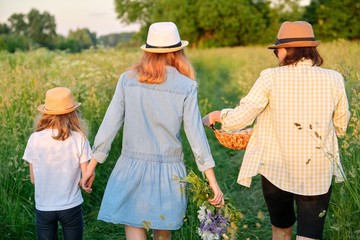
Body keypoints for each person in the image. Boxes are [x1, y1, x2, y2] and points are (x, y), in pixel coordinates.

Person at [203, 21, 350, 240]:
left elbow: (241, 117)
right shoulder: (334, 78)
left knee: (281, 230)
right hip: (318, 170)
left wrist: (217, 116)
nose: (277, 55)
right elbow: (341, 125)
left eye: (277, 50)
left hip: (276, 169)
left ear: (288, 50)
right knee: (310, 235)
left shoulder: (271, 77)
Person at [81, 22, 224, 240]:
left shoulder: (127, 80)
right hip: (169, 175)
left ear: (148, 51)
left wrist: (92, 165)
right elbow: (196, 138)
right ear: (178, 51)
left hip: (130, 169)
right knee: (162, 236)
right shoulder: (186, 86)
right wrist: (211, 180)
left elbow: (110, 124)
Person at [23, 87, 92, 240]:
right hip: (71, 206)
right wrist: (85, 183)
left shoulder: (35, 139)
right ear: (73, 113)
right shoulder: (79, 138)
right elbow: (85, 177)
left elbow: (34, 179)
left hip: (44, 207)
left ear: (45, 113)